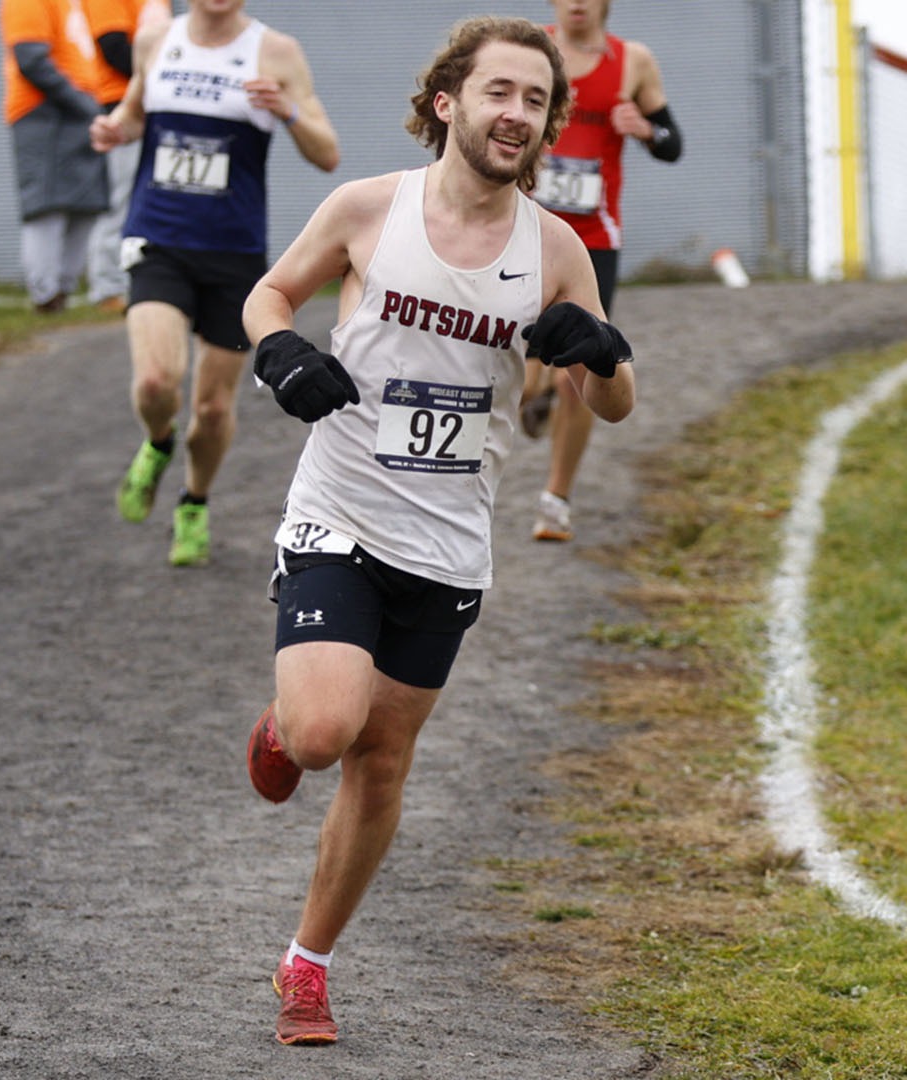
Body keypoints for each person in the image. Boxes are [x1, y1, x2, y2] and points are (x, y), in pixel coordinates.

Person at [237, 15, 636, 1045]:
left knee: (382, 762)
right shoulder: (369, 208)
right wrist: (282, 352)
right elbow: (270, 294)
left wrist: (600, 346)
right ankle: (285, 726)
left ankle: (308, 965)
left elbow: (618, 398)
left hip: (449, 545)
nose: (518, 115)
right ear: (449, 101)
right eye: (500, 93)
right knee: (327, 735)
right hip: (342, 511)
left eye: (538, 102)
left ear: (549, 127)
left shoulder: (555, 248)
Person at [90, 0, 339, 567]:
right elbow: (133, 114)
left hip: (233, 253)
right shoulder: (155, 41)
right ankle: (157, 443)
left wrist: (289, 113)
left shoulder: (276, 52)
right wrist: (114, 130)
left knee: (211, 408)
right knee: (157, 381)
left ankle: (194, 502)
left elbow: (328, 153)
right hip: (159, 238)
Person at [518, 0, 680, 542]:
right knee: (513, 367)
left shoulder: (633, 61)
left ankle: (555, 500)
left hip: (593, 239)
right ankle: (532, 386)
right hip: (523, 227)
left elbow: (671, 142)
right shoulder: (527, 49)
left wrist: (643, 130)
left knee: (581, 375)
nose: (577, 4)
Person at [1, 0, 110, 314]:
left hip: (81, 111)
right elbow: (31, 59)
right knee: (45, 205)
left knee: (86, 205)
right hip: (43, 114)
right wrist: (81, 103)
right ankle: (45, 295)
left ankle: (63, 289)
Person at [79, 0, 153, 313]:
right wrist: (164, 72)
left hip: (156, 107)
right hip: (122, 107)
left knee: (146, 200)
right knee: (120, 200)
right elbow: (113, 47)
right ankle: (106, 287)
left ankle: (137, 282)